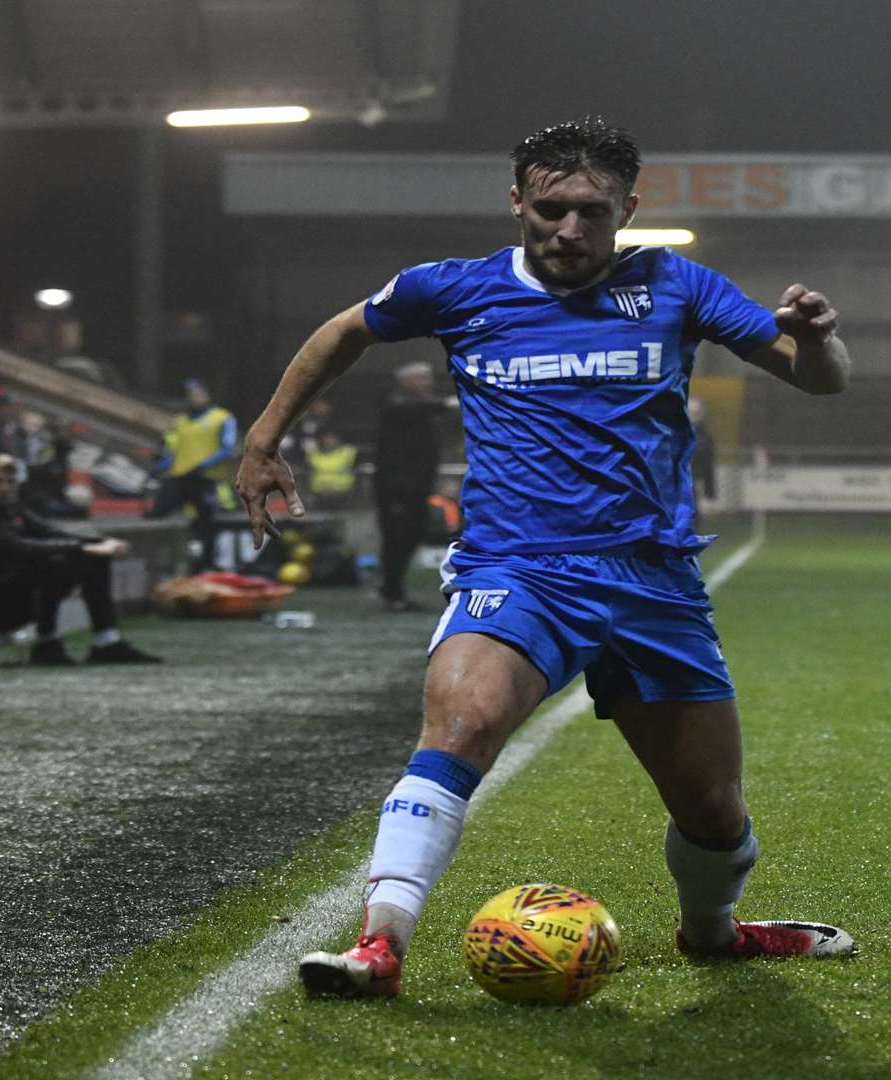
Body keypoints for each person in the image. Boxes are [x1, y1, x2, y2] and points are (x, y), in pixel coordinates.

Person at [234, 118, 856, 1000]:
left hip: (654, 584)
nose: (569, 230)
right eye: (551, 208)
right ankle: (378, 946)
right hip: (516, 569)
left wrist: (818, 335)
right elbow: (343, 333)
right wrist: (264, 438)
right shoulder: (454, 290)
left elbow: (818, 377)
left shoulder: (678, 285)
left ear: (627, 209)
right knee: (462, 726)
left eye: (592, 213)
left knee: (715, 815)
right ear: (516, 200)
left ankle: (712, 934)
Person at [0, 454, 161, 667]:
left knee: (88, 558)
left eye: (10, 482)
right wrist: (85, 547)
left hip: (9, 591)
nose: (4, 488)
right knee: (62, 559)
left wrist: (100, 541)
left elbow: (48, 532)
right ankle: (54, 642)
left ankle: (102, 641)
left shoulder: (7, 506)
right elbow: (15, 547)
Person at [372, 362, 456, 612]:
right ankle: (392, 591)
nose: (427, 383)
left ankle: (392, 588)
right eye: (421, 378)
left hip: (417, 487)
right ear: (406, 381)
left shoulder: (420, 408)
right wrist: (446, 404)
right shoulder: (395, 402)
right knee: (396, 537)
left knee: (413, 534)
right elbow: (408, 409)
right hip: (396, 488)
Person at [148, 378, 237, 570]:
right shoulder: (180, 421)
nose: (193, 398)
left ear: (207, 395)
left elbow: (227, 448)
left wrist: (205, 464)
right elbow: (175, 451)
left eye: (197, 393)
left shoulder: (221, 418)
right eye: (190, 395)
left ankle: (206, 566)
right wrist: (158, 469)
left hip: (205, 478)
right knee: (155, 515)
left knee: (206, 524)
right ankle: (154, 564)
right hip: (180, 477)